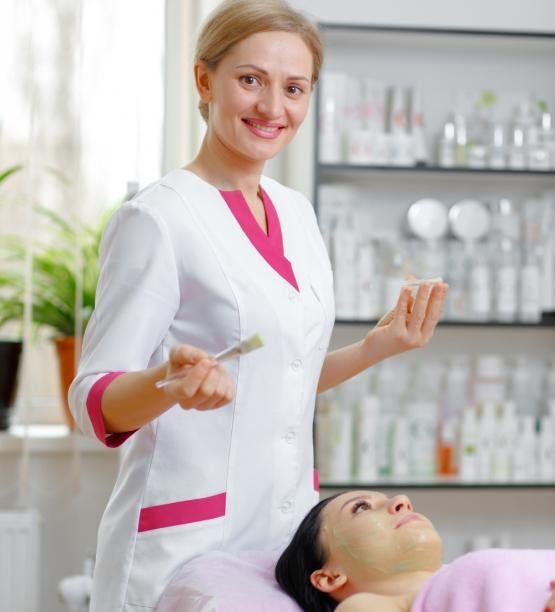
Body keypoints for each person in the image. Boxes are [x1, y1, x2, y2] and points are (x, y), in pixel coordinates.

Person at [69, 1, 448, 610]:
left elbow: (282, 374)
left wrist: (376, 348)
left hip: (285, 536)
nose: (273, 108)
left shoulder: (296, 213)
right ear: (204, 80)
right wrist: (170, 384)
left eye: (294, 88)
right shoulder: (158, 218)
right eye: (251, 80)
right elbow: (91, 400)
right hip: (186, 543)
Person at [275, 490, 555, 612]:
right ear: (329, 577)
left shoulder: (455, 577)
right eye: (361, 507)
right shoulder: (364, 606)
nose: (402, 500)